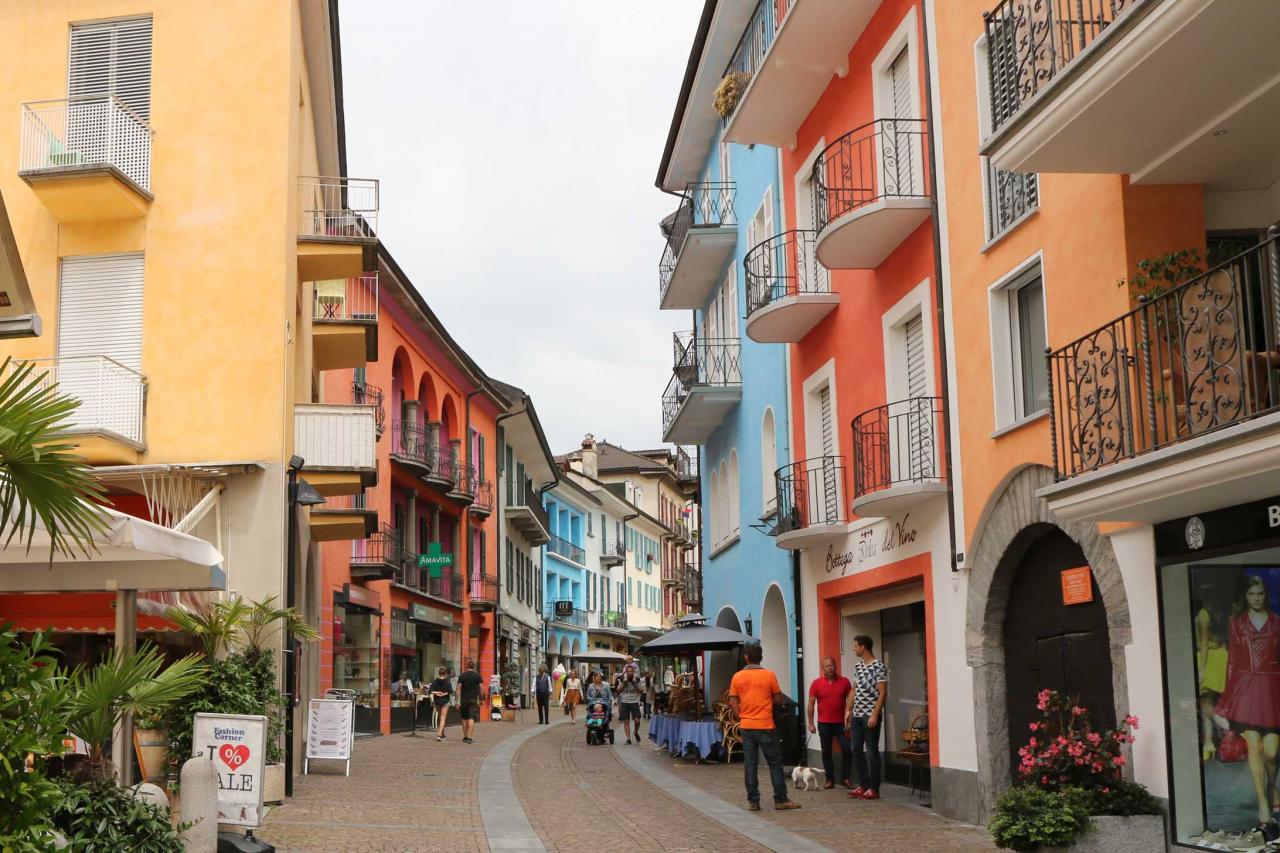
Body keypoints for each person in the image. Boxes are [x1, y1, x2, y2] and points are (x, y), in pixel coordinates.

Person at [1216, 576, 1280, 824]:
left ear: (1266, 595)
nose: (1256, 598)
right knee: (1255, 746)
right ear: (1246, 595)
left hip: (1272, 690)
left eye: (1260, 593)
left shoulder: (1277, 623)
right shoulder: (1236, 623)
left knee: (1272, 753)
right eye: (1252, 593)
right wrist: (1225, 701)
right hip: (1245, 689)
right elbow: (1232, 661)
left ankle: (1271, 788)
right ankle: (1263, 803)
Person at [728, 643, 800, 812]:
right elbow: (778, 699)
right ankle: (780, 799)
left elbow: (732, 702)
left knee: (750, 764)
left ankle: (753, 801)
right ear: (761, 657)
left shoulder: (737, 677)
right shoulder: (769, 676)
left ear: (746, 657)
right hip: (765, 724)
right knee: (775, 762)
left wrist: (742, 715)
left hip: (747, 725)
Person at [845, 635, 889, 801]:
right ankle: (863, 785)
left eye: (855, 646)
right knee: (855, 749)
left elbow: (883, 692)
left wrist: (875, 714)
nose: (854, 649)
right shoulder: (858, 666)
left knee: (871, 751)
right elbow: (854, 690)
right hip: (857, 715)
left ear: (863, 647)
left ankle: (874, 788)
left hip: (870, 715)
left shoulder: (879, 666)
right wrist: (848, 710)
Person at [808, 655, 853, 789]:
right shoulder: (816, 683)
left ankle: (845, 778)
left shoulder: (845, 682)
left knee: (847, 749)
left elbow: (851, 702)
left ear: (835, 666)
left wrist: (849, 719)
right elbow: (811, 704)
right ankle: (830, 779)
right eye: (827, 666)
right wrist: (810, 723)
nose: (830, 668)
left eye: (832, 665)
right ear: (823, 668)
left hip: (841, 724)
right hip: (824, 723)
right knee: (826, 751)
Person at [456, 660, 483, 745]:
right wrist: (481, 699)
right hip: (473, 700)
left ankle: (465, 736)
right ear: (473, 666)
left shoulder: (462, 675)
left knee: (464, 718)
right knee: (471, 718)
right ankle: (469, 737)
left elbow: (458, 688)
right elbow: (481, 688)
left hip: (464, 700)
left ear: (466, 666)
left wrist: (456, 700)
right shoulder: (478, 676)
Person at [616, 667, 643, 745]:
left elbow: (641, 691)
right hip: (625, 702)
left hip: (634, 702)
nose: (630, 673)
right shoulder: (622, 679)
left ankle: (636, 732)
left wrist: (635, 685)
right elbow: (618, 691)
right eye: (628, 671)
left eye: (631, 671)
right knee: (626, 721)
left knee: (637, 720)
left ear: (633, 672)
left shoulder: (637, 679)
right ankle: (628, 739)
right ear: (626, 672)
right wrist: (624, 684)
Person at [427, 667, 453, 742]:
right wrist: (444, 693)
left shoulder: (435, 681)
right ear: (445, 674)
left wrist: (437, 693)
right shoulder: (448, 681)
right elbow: (450, 691)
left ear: (439, 673)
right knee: (443, 718)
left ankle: (442, 734)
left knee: (440, 718)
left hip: (437, 701)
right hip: (445, 701)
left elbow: (430, 691)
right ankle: (439, 735)